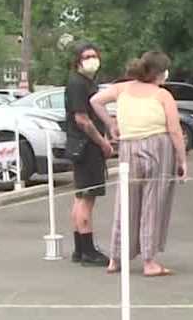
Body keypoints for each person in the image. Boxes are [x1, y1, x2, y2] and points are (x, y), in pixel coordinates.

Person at [91, 51, 187, 276]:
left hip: (129, 147)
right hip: (158, 146)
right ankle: (149, 261)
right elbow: (174, 130)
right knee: (153, 204)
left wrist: (111, 123)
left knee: (126, 202)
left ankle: (116, 258)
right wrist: (182, 159)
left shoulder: (122, 89)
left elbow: (95, 101)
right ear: (160, 73)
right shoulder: (162, 95)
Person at [65, 42, 114, 266]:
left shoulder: (85, 82)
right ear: (77, 60)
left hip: (81, 145)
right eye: (87, 56)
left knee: (80, 197)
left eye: (94, 55)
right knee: (87, 198)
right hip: (87, 146)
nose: (92, 60)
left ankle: (80, 248)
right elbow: (82, 119)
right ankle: (87, 250)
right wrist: (103, 143)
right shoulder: (77, 84)